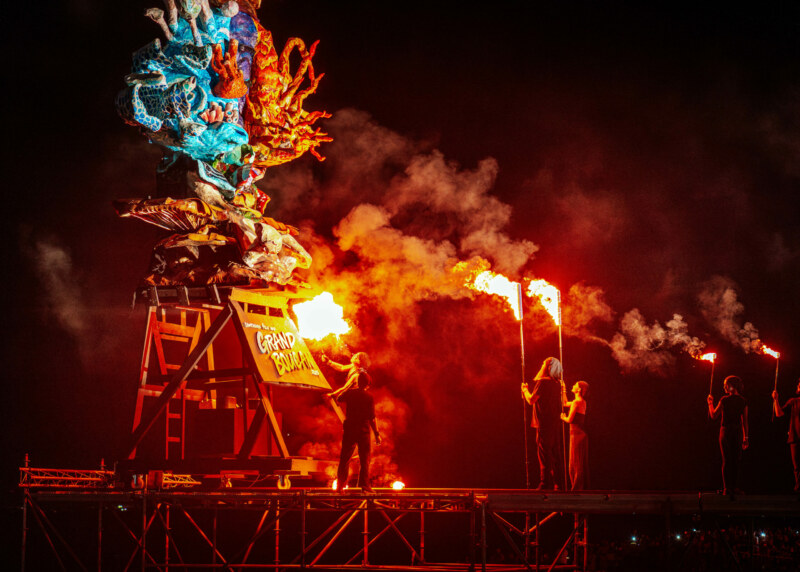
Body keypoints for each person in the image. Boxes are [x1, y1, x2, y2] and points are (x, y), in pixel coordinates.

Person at [334, 369, 381, 493]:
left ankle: (340, 486)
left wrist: (350, 386)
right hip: (363, 430)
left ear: (357, 381)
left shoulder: (350, 393)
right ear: (368, 384)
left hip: (350, 429)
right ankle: (365, 486)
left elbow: (339, 398)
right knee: (365, 459)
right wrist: (377, 434)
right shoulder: (369, 397)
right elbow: (372, 418)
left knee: (345, 458)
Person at [522, 357, 564, 490]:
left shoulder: (542, 382)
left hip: (544, 422)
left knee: (544, 453)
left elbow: (531, 400)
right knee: (555, 453)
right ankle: (558, 482)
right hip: (555, 422)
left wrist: (525, 391)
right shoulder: (558, 383)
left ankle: (545, 483)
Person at [707, 375, 749, 496]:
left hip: (727, 431)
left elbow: (714, 415)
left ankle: (729, 488)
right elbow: (745, 422)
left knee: (730, 460)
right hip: (733, 432)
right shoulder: (740, 400)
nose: (724, 386)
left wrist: (710, 404)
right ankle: (730, 487)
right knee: (733, 460)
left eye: (726, 384)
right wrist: (746, 437)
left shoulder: (727, 400)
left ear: (732, 386)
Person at [772, 378, 800, 492]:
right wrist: (775, 400)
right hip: (795, 438)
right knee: (797, 467)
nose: (799, 385)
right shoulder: (793, 401)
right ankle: (799, 489)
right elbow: (779, 414)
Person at [561, 380, 589, 490]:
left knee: (575, 464)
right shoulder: (581, 401)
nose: (573, 385)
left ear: (579, 389)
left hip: (577, 435)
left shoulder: (577, 402)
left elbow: (569, 419)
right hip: (579, 435)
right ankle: (577, 487)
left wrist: (562, 417)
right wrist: (563, 389)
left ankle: (576, 488)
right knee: (576, 463)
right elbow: (565, 403)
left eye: (575, 385)